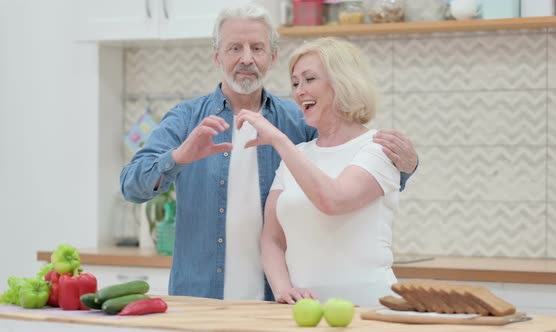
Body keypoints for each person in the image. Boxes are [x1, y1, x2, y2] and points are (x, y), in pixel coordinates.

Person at [120, 3, 417, 302]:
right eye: (235, 48)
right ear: (217, 56)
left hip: (274, 299)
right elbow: (131, 185)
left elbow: (344, 158)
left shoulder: (298, 120)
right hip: (199, 297)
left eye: (257, 48)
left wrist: (404, 166)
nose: (246, 58)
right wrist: (179, 157)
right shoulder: (186, 119)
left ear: (272, 57)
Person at [235, 37, 400, 307]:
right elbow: (272, 239)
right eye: (296, 83)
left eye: (309, 79)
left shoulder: (378, 148)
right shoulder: (296, 155)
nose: (299, 91)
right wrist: (283, 289)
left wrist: (279, 140)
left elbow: (333, 200)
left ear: (342, 82)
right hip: (304, 314)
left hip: (370, 308)